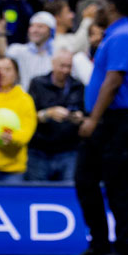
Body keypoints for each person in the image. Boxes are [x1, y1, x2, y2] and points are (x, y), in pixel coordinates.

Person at [72, 0, 128, 255]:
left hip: (117, 121)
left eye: (99, 5)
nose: (95, 9)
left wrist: (93, 119)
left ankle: (123, 249)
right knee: (85, 180)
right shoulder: (114, 34)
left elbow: (113, 82)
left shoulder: (124, 35)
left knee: (119, 186)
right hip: (104, 120)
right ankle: (100, 244)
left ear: (112, 7)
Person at [27, 49, 85, 181]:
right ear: (53, 64)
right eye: (62, 66)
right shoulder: (37, 83)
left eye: (69, 66)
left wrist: (77, 117)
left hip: (69, 151)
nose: (65, 70)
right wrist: (49, 113)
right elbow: (28, 115)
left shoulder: (78, 86)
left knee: (69, 192)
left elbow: (85, 115)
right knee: (38, 194)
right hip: (39, 151)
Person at [5, 11, 56, 93]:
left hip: (48, 101)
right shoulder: (17, 51)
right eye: (32, 26)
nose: (34, 30)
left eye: (40, 27)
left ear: (51, 31)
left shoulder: (57, 54)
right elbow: (1, 60)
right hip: (23, 101)